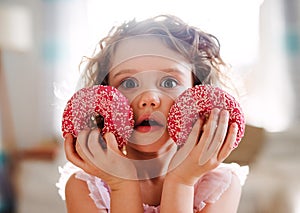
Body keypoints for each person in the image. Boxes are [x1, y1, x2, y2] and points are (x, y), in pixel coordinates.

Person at [57, 14, 248, 213]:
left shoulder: (219, 185)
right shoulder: (85, 187)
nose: (149, 98)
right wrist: (121, 183)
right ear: (102, 99)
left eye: (169, 82)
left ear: (198, 93)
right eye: (129, 83)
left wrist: (181, 182)